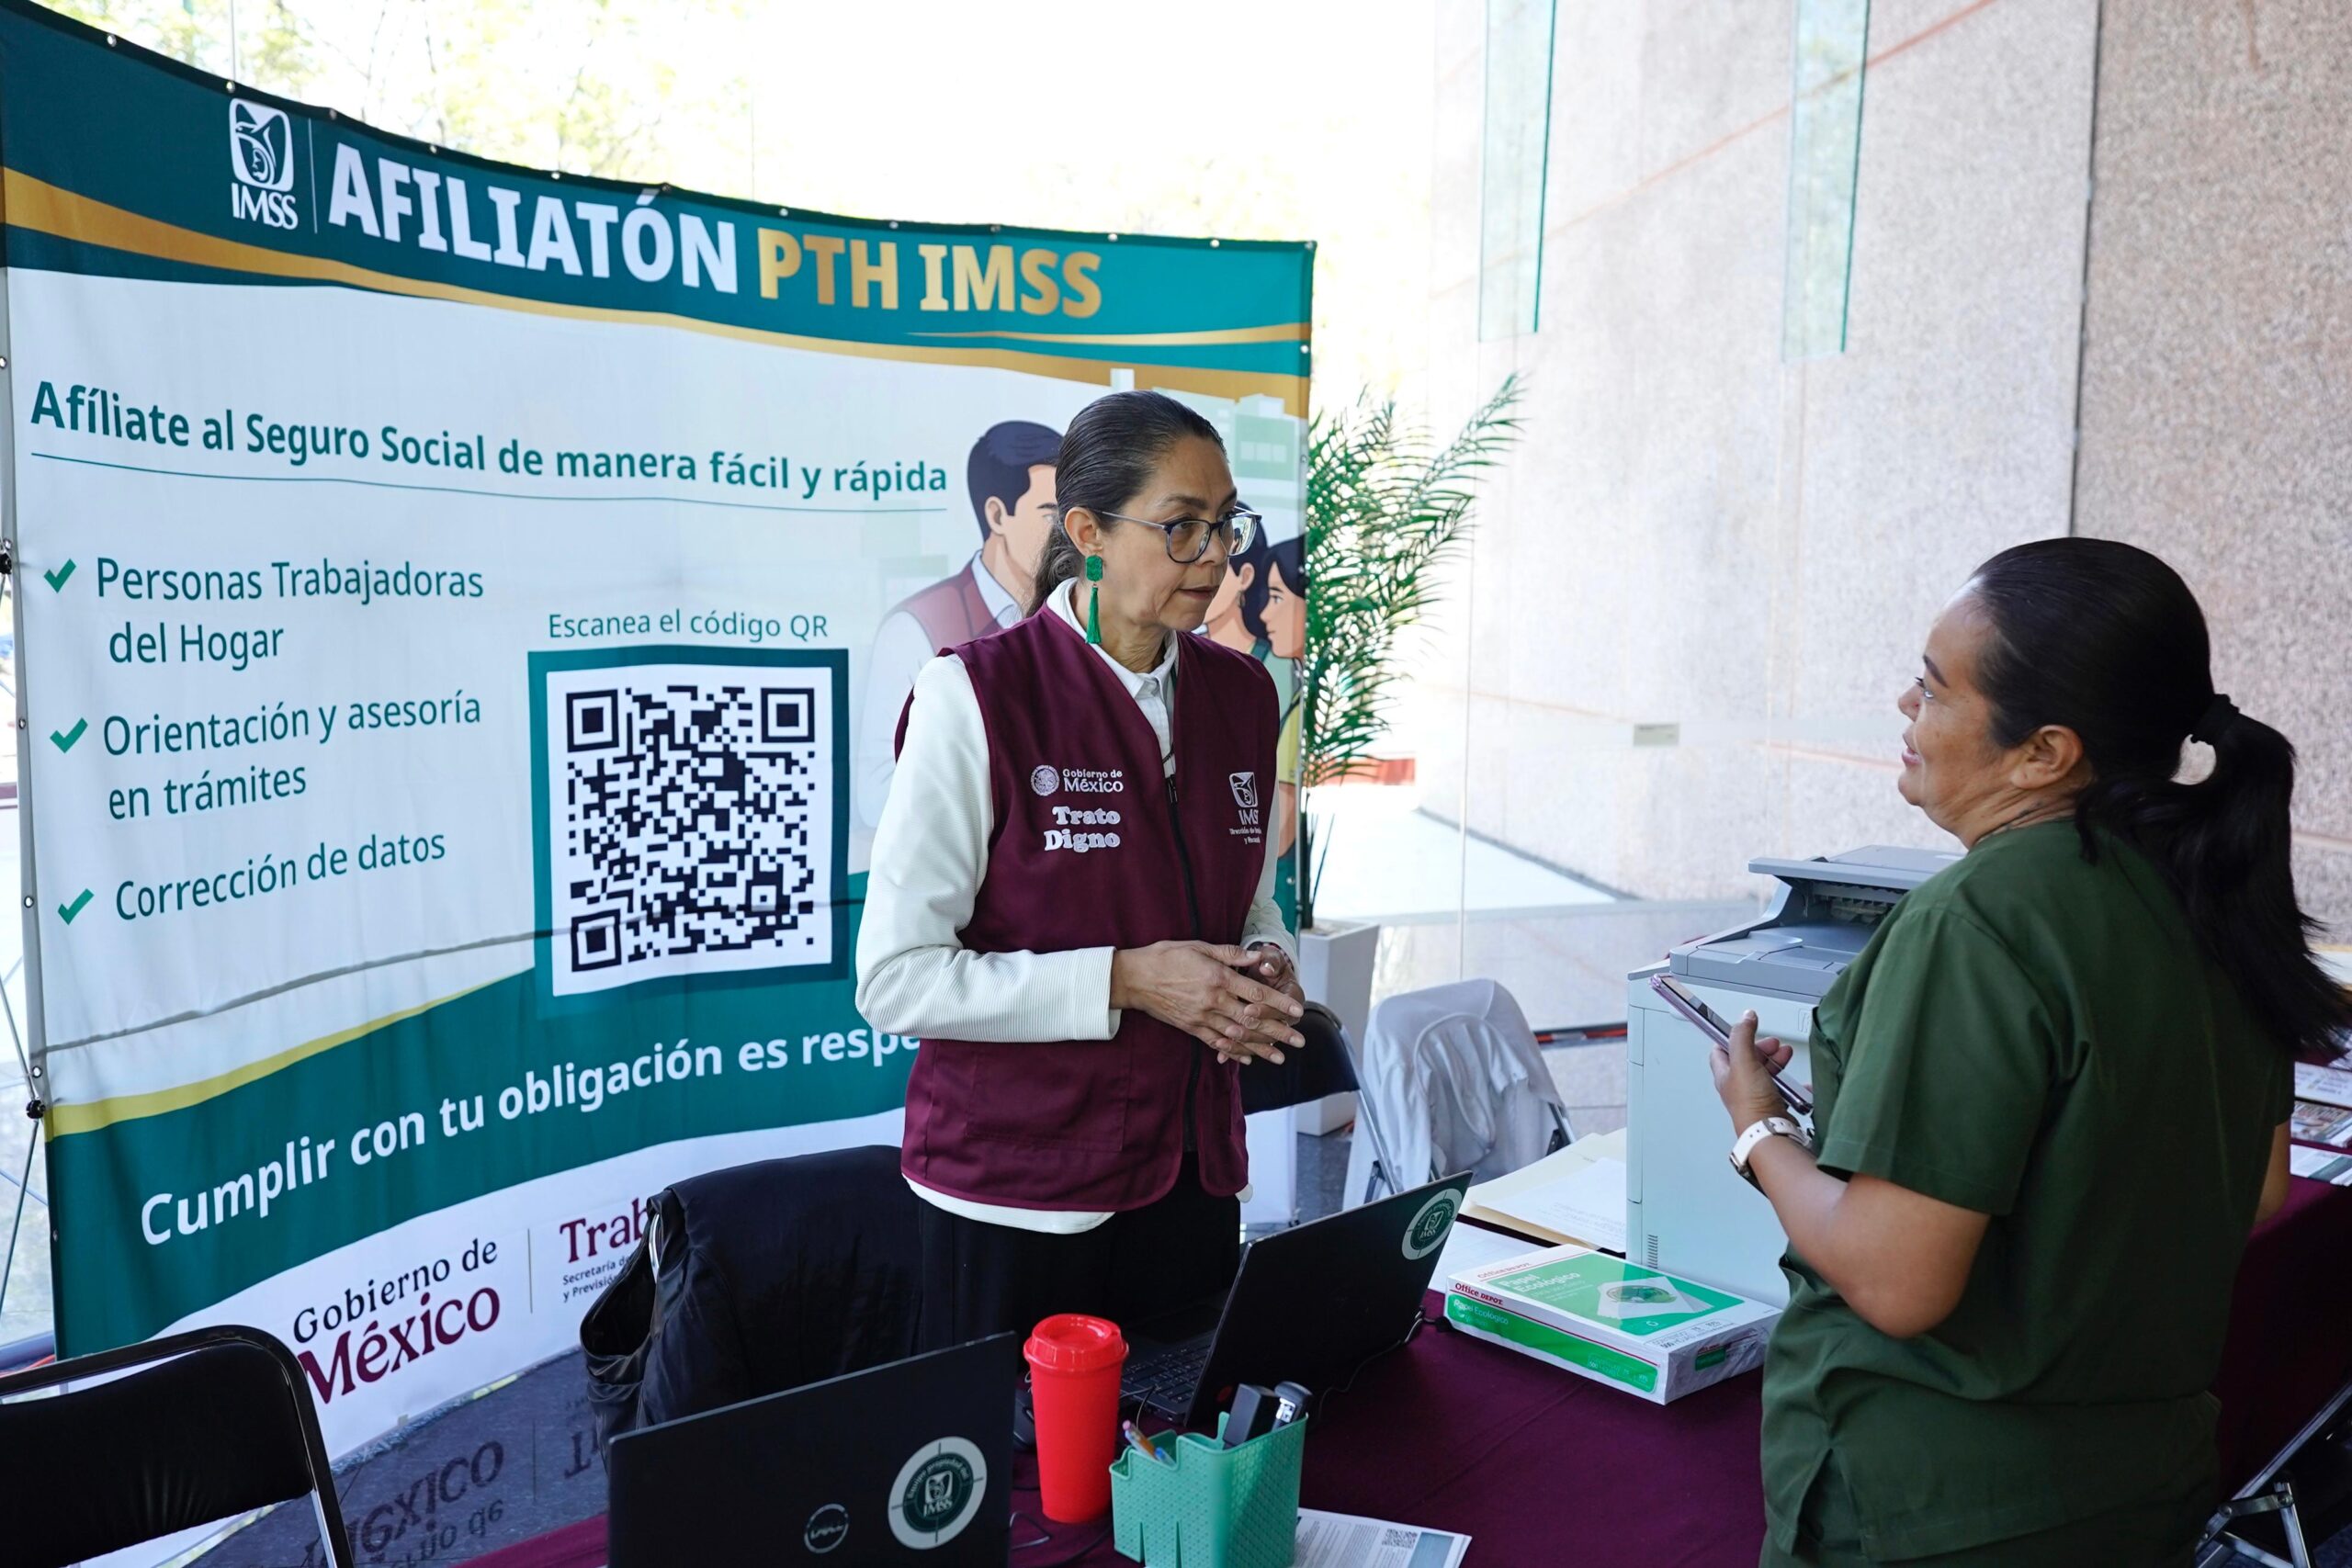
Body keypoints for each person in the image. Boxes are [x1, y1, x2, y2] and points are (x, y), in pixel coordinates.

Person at [1713, 538, 2343, 1565]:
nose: (1904, 706)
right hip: (2135, 1486)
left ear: (2044, 752)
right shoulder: (2208, 889)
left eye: (1933, 689)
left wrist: (1759, 1128)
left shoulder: (1976, 921)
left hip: (1940, 1508)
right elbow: (2260, 1185)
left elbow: (1898, 1282)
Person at [856, 389, 1306, 1348]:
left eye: (1225, 525)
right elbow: (896, 979)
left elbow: (1249, 899)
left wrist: (1265, 960)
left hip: (1189, 1180)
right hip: (1018, 1200)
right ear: (1087, 532)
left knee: (1179, 1431)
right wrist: (1126, 979)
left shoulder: (1239, 693)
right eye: (1181, 527)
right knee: (1025, 1451)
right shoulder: (975, 694)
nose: (1215, 557)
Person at [854, 419, 1062, 832]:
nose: (1070, 534)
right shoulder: (916, 625)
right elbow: (877, 794)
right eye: (1051, 515)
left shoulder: (1076, 617)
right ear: (997, 515)